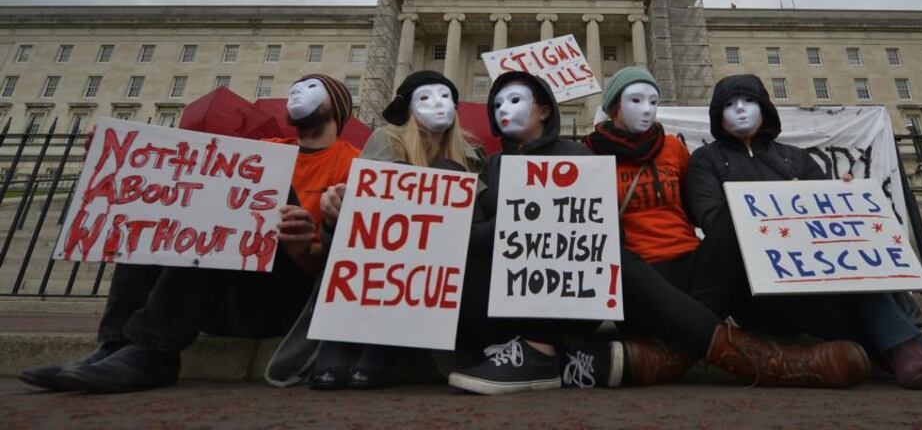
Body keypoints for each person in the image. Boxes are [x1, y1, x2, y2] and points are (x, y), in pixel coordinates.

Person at [20, 74, 360, 393]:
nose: (298, 92)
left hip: (284, 299)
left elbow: (345, 268)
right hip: (219, 293)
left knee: (237, 199)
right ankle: (117, 346)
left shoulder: (354, 164)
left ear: (339, 104)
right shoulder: (262, 150)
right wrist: (124, 155)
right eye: (295, 87)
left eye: (312, 86)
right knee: (169, 206)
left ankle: (153, 354)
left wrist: (301, 248)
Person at [579, 67, 872, 389]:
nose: (647, 109)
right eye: (636, 100)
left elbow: (700, 213)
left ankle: (676, 352)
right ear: (613, 107)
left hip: (694, 268)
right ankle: (771, 362)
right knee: (617, 259)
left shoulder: (673, 149)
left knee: (737, 210)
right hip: (640, 280)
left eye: (653, 101)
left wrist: (814, 196)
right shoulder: (586, 155)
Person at [684, 73, 922, 390]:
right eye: (729, 104)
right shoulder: (704, 160)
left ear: (765, 108)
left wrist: (840, 197)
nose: (740, 110)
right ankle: (913, 348)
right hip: (754, 286)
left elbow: (825, 229)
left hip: (812, 279)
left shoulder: (796, 158)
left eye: (749, 101)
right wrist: (778, 197)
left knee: (854, 270)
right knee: (839, 295)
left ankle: (908, 351)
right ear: (717, 115)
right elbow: (711, 220)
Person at [300, 70, 481, 390]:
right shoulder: (386, 140)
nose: (438, 104)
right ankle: (336, 340)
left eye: (445, 97)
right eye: (425, 97)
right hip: (381, 256)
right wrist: (335, 211)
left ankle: (380, 344)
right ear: (409, 108)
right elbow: (363, 217)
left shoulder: (471, 156)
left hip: (434, 270)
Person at [447, 71, 611, 395]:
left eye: (515, 100)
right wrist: (518, 223)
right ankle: (560, 361)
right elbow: (475, 238)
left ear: (544, 110)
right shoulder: (490, 166)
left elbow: (600, 239)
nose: (502, 109)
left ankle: (539, 352)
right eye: (496, 104)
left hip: (569, 300)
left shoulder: (579, 157)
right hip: (501, 297)